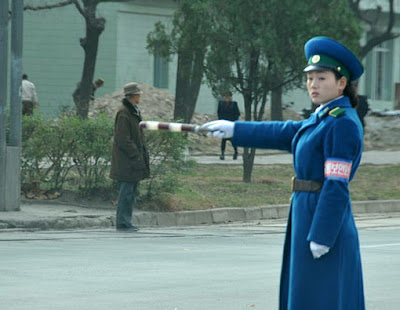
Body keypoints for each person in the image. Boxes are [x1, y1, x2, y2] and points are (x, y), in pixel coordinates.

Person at [201, 37, 365, 310]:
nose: (313, 84)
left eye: (322, 78)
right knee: (303, 293)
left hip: (322, 219)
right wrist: (234, 129)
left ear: (341, 83)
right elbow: (282, 131)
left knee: (323, 297)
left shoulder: (342, 123)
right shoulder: (321, 118)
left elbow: (336, 185)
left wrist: (323, 234)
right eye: (310, 78)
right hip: (305, 212)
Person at [109, 82, 150, 232]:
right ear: (133, 96)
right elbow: (122, 139)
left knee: (131, 193)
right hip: (126, 160)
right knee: (126, 193)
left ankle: (126, 221)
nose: (140, 96)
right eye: (138, 94)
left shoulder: (133, 111)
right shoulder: (124, 113)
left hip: (132, 160)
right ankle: (123, 223)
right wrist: (135, 154)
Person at [217, 91, 240, 160]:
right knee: (223, 139)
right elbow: (219, 112)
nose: (227, 98)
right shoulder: (221, 104)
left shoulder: (234, 104)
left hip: (231, 124)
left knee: (232, 140)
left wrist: (233, 121)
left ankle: (236, 152)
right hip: (224, 124)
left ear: (231, 97)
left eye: (228, 97)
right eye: (225, 97)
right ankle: (222, 153)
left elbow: (237, 114)